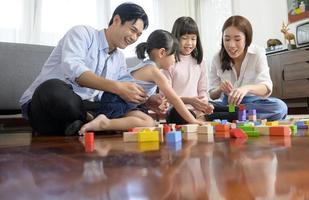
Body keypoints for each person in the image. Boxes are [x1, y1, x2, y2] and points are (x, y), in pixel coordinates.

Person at [19, 3, 163, 136]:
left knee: (143, 117)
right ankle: (91, 122)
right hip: (48, 106)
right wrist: (118, 87)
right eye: (133, 30)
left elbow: (119, 93)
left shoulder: (119, 58)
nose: (134, 38)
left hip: (85, 106)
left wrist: (146, 100)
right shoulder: (82, 34)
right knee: (52, 89)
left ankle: (85, 124)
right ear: (117, 20)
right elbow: (76, 72)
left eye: (138, 34)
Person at [79, 29, 204, 134]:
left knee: (148, 121)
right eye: (174, 56)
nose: (175, 61)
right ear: (162, 53)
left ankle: (100, 120)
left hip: (117, 103)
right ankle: (105, 123)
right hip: (116, 103)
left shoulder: (146, 66)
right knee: (148, 123)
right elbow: (175, 99)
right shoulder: (154, 72)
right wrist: (192, 120)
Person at [208, 15, 287, 121]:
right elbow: (212, 95)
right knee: (204, 104)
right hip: (227, 104)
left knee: (280, 107)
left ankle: (226, 115)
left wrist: (246, 88)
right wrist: (219, 89)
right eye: (227, 39)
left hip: (252, 103)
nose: (231, 45)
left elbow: (267, 88)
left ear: (247, 39)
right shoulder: (217, 58)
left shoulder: (257, 53)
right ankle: (239, 115)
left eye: (237, 39)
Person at [161, 16, 213, 124]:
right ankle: (197, 120)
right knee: (177, 114)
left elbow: (202, 90)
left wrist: (204, 103)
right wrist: (189, 101)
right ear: (175, 38)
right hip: (177, 111)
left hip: (197, 110)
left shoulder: (200, 61)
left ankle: (199, 118)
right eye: (184, 38)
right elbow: (166, 97)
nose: (189, 43)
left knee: (227, 110)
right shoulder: (169, 62)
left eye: (193, 38)